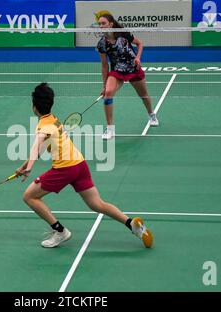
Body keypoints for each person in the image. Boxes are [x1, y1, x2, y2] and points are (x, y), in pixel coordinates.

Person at [15, 83, 153, 248]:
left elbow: (36, 145)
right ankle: (132, 224)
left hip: (64, 168)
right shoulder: (53, 120)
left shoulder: (43, 126)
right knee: (97, 204)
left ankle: (60, 231)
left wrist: (29, 167)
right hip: (79, 165)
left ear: (34, 107)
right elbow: (43, 146)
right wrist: (25, 165)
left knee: (29, 196)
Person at [96, 13, 159, 140]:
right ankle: (109, 129)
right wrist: (104, 85)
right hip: (117, 71)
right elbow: (104, 66)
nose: (101, 26)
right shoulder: (102, 44)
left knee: (144, 95)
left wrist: (137, 58)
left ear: (111, 24)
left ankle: (151, 114)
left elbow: (140, 43)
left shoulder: (123, 34)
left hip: (133, 68)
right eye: (99, 24)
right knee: (108, 93)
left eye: (103, 23)